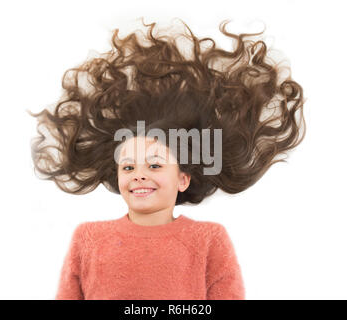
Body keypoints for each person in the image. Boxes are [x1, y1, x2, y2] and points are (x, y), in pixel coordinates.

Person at [27, 18, 306, 300]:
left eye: (155, 164)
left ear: (183, 178)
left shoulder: (209, 240)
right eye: (128, 166)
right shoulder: (88, 239)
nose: (138, 174)